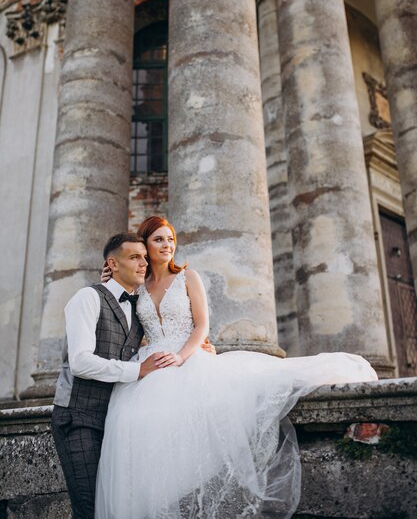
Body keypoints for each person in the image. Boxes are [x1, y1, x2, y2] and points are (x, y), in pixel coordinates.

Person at [95, 216, 378, 519]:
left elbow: (202, 325)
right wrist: (108, 283)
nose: (167, 246)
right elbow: (128, 328)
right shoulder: (138, 286)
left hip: (186, 357)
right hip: (150, 362)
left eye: (170, 239)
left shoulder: (188, 277)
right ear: (145, 246)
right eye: (158, 240)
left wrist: (181, 356)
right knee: (133, 427)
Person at [51, 231, 215, 519]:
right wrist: (138, 369)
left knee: (118, 506)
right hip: (78, 417)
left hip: (117, 418)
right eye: (134, 257)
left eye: (143, 257)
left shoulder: (136, 308)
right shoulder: (87, 298)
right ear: (112, 264)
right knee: (90, 509)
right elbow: (79, 362)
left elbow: (153, 338)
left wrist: (194, 348)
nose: (143, 263)